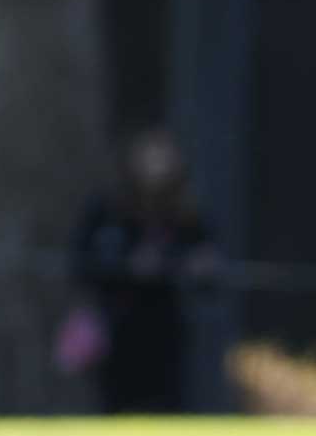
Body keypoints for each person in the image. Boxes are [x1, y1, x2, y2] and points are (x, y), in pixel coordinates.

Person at [67, 127, 217, 412]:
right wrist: (128, 267)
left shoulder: (185, 214)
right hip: (119, 326)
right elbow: (81, 263)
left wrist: (197, 268)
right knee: (117, 407)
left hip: (167, 328)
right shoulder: (109, 209)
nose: (156, 164)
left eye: (163, 154)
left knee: (167, 407)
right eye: (150, 153)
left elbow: (208, 270)